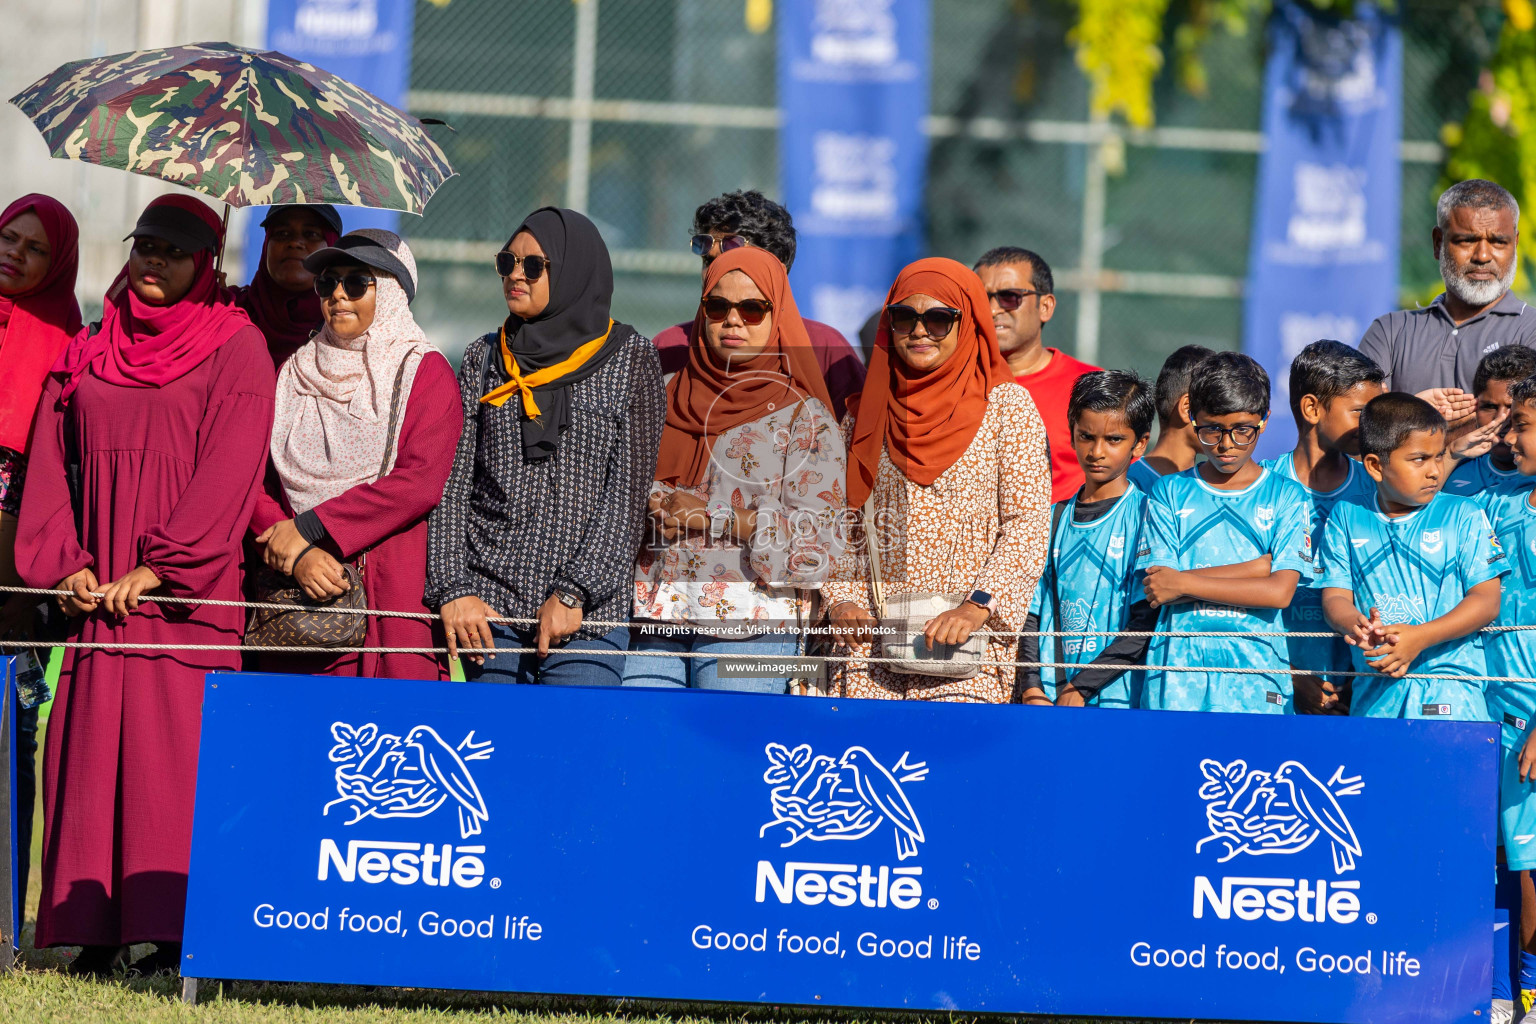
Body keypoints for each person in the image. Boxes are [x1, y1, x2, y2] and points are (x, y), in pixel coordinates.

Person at [14, 194, 275, 975]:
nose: (153, 260)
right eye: (145, 245)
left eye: (174, 249)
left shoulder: (238, 346)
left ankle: (170, 935)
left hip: (181, 598)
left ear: (207, 263)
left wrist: (159, 567)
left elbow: (231, 472)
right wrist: (67, 563)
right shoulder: (91, 344)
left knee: (172, 763)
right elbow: (48, 464)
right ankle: (90, 931)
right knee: (91, 756)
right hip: (100, 592)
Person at [427, 207, 665, 686]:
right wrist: (453, 588)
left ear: (574, 270)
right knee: (490, 752)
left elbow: (626, 498)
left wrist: (574, 592)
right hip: (487, 603)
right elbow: (451, 485)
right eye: (506, 262)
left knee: (569, 749)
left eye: (533, 266)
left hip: (586, 614)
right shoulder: (484, 356)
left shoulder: (632, 359)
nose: (515, 274)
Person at [822, 257, 1052, 703]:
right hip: (871, 652)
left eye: (939, 319)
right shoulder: (865, 411)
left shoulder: (1006, 407)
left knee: (954, 767)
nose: (919, 331)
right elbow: (839, 519)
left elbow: (1027, 522)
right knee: (865, 767)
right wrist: (841, 600)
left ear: (968, 324)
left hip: (966, 652)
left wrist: (977, 605)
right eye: (905, 317)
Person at [626, 247, 845, 691]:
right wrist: (654, 504)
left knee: (729, 753)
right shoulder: (665, 394)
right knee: (643, 749)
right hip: (656, 617)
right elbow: (621, 479)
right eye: (718, 306)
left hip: (754, 628)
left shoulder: (805, 417)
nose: (733, 321)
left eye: (752, 308)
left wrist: (709, 517)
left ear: (776, 314)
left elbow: (816, 547)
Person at [251, 229, 463, 680]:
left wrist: (313, 528)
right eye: (327, 283)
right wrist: (295, 551)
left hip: (393, 597)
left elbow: (419, 483)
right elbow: (256, 480)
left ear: (389, 291)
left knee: (392, 740)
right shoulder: (293, 372)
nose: (338, 296)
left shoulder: (424, 371)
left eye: (355, 283)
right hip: (301, 603)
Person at [1135, 353, 1311, 714]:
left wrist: (1182, 583)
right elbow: (1159, 589)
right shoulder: (1168, 493)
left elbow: (1280, 593)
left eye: (1242, 430)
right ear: (1192, 419)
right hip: (1177, 676)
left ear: (1264, 422)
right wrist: (1255, 570)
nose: (1226, 444)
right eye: (1212, 429)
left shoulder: (1286, 496)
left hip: (1257, 678)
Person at [1317, 393, 1506, 720]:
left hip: (1451, 692)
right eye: (1419, 459)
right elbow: (1335, 597)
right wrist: (1357, 626)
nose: (1434, 471)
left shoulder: (1463, 513)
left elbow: (1486, 602)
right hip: (1375, 697)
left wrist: (1419, 637)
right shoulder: (1345, 517)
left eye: (1438, 457)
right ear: (1375, 465)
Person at [0, 192, 81, 919]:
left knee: (10, 730)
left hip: (14, 568)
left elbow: (60, 472)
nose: (13, 253)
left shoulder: (66, 339)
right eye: (7, 236)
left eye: (33, 248)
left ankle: (2, 913)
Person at [652, 190, 866, 418]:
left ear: (776, 272)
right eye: (708, 261)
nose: (714, 272)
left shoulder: (824, 349)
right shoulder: (670, 346)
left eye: (733, 263)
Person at [1260, 340, 1385, 715]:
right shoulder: (1261, 487)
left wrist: (1361, 679)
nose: (1372, 427)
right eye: (1361, 412)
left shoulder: (1379, 486)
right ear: (1312, 408)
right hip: (1275, 689)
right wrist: (1290, 677)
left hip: (1364, 692)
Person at [1020, 370, 1155, 708]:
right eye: (1086, 436)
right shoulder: (1052, 517)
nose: (1097, 451)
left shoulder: (1147, 517)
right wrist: (1032, 686)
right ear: (1072, 435)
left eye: (1114, 440)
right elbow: (1029, 612)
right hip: (1048, 700)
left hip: (1117, 701)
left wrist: (1082, 687)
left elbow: (1144, 623)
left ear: (1140, 443)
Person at [1359, 179, 1533, 415]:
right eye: (1467, 241)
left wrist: (1401, 416)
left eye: (1498, 242)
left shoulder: (1530, 329)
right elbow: (1360, 426)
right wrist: (1413, 412)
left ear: (1515, 243)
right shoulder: (1390, 333)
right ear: (1438, 243)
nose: (1482, 256)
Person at [1483, 373, 1536, 1023]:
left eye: (1521, 424)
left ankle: (1531, 989)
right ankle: (1498, 994)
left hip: (1532, 720)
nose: (1508, 434)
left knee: (1529, 860)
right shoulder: (1500, 504)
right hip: (1485, 708)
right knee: (1493, 852)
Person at [974, 246, 1100, 502]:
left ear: (1045, 306)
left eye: (1009, 297)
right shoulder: (953, 384)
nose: (993, 309)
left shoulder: (1091, 386)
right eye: (980, 298)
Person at [233, 204, 342, 368]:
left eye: (311, 234)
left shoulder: (349, 328)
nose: (295, 243)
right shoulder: (229, 310)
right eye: (282, 233)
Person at [1444, 345, 1536, 504]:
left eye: (1512, 409)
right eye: (1489, 407)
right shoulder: (1447, 468)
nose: (1500, 419)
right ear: (1474, 408)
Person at [1126, 344, 1212, 493]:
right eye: (1217, 405)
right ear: (1187, 409)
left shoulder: (1210, 487)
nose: (1226, 418)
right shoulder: (1128, 488)